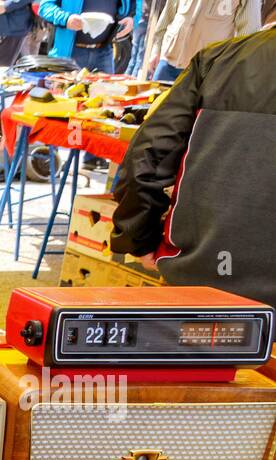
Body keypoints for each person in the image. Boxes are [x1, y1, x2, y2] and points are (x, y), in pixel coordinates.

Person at [109, 28, 276, 307]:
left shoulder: (219, 60)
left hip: (205, 277)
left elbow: (149, 156)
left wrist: (136, 237)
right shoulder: (215, 59)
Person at [144, 0, 260, 82]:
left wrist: (232, 69)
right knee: (154, 112)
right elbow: (168, 16)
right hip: (169, 63)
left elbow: (248, 32)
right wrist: (156, 49)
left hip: (207, 71)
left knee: (192, 116)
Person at [38, 0, 135, 71]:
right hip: (70, 54)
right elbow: (45, 7)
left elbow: (133, 5)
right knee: (66, 96)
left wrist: (131, 18)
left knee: (106, 97)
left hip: (104, 52)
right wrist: (66, 19)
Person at [0, 0, 37, 67]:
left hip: (17, 27)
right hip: (1, 27)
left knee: (0, 69)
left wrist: (6, 5)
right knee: (0, 69)